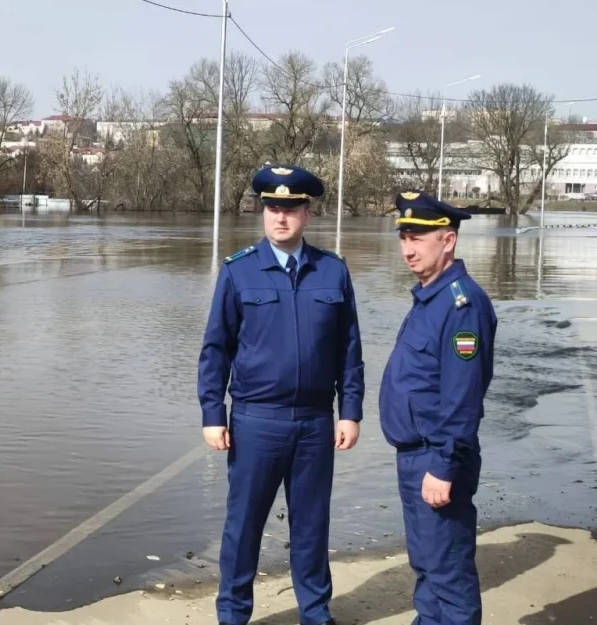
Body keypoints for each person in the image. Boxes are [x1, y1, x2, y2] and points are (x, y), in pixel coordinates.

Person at [197, 165, 365, 625]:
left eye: (291, 209)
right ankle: (233, 615)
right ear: (262, 211)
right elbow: (216, 348)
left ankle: (315, 613)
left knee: (312, 526)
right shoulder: (239, 271)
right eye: (272, 208)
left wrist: (350, 411)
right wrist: (214, 413)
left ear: (307, 213)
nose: (281, 217)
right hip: (256, 421)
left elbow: (349, 348)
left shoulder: (332, 272)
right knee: (244, 526)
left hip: (314, 422)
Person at [379, 190, 497, 625]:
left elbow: (463, 397)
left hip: (437, 457)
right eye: (404, 237)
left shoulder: (462, 305)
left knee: (448, 573)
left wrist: (445, 465)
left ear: (447, 241)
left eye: (419, 238)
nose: (408, 249)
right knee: (427, 566)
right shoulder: (430, 297)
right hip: (416, 455)